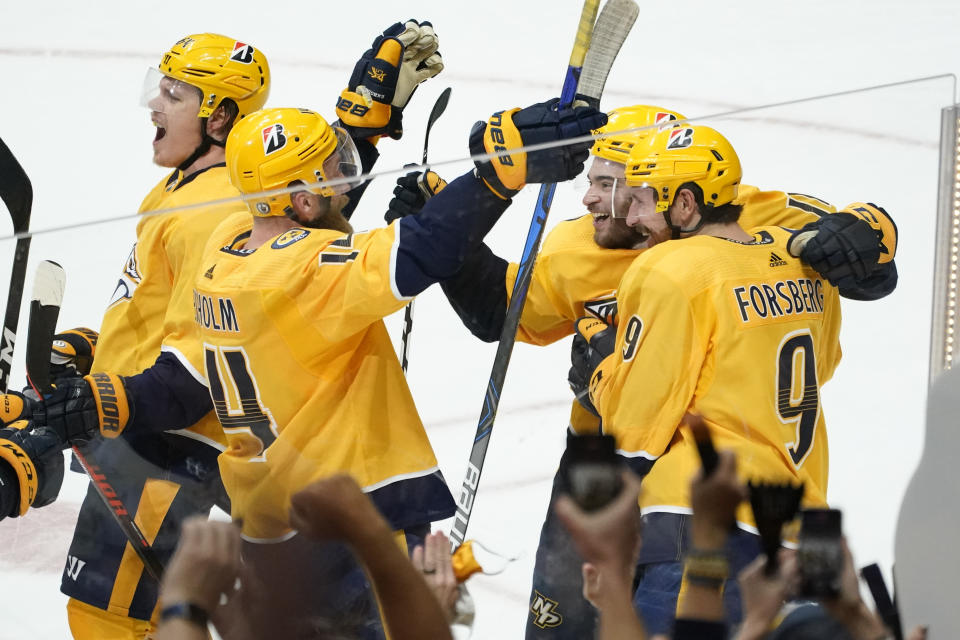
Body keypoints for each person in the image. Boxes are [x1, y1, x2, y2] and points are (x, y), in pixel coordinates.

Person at [0, 100, 605, 637]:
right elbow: (418, 252)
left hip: (267, 530)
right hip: (353, 515)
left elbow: (181, 383)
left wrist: (87, 400)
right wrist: (500, 173)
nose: (349, 183)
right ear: (303, 199)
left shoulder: (223, 256)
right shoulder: (306, 266)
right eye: (336, 174)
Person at [386, 103, 897, 639]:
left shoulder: (757, 217)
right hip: (608, 468)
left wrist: (866, 231)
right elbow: (500, 310)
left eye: (610, 185)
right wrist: (449, 231)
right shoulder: (576, 245)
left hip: (686, 479)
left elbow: (866, 239)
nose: (592, 201)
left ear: (665, 189)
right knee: (563, 628)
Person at [0, 22, 443, 639]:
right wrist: (92, 349)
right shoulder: (182, 190)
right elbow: (161, 314)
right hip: (146, 427)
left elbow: (202, 354)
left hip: (170, 442)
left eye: (175, 94)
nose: (155, 102)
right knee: (118, 616)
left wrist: (87, 404)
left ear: (217, 119)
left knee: (112, 621)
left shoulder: (213, 209)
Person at [569, 122, 895, 634]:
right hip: (795, 528)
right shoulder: (800, 258)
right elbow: (824, 364)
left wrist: (602, 371)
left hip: (695, 519)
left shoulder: (671, 268)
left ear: (685, 205)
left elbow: (635, 432)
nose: (629, 217)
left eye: (640, 201)